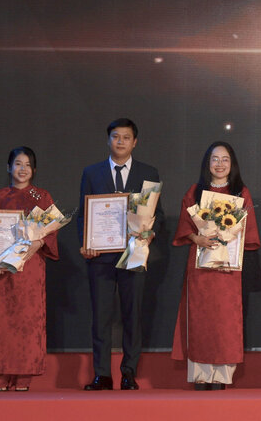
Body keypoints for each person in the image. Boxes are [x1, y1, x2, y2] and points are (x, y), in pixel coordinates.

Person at [77, 118, 163, 391]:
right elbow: (84, 213)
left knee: (132, 315)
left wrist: (149, 233)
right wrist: (86, 242)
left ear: (134, 142)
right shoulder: (92, 173)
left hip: (134, 253)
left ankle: (129, 373)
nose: (121, 141)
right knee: (100, 316)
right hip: (100, 255)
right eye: (116, 136)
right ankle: (102, 374)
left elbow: (155, 214)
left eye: (126, 137)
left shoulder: (148, 172)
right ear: (108, 139)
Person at [171, 142, 260, 390]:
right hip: (200, 266)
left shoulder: (241, 193)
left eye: (225, 159)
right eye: (214, 159)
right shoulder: (195, 192)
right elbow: (185, 226)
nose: (219, 164)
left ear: (232, 164)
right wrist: (196, 238)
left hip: (228, 269)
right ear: (207, 163)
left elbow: (247, 231)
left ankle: (221, 377)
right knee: (200, 317)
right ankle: (201, 375)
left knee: (225, 320)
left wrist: (228, 250)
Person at [0, 147, 58, 391]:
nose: (22, 169)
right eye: (18, 164)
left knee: (28, 321)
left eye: (27, 165)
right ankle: (1, 375)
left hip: (30, 269)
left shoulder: (41, 196)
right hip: (2, 268)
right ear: (9, 167)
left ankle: (24, 376)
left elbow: (49, 232)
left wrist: (30, 249)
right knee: (2, 321)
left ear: (34, 170)